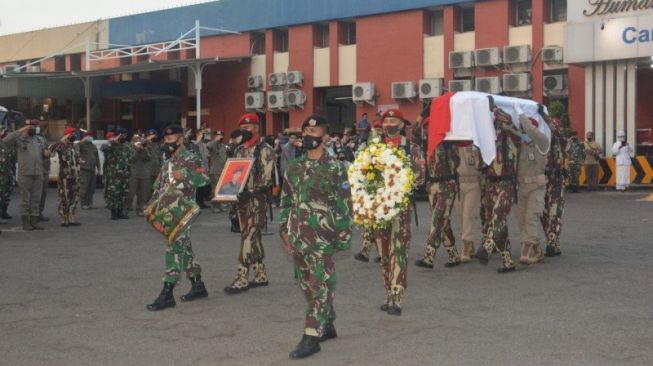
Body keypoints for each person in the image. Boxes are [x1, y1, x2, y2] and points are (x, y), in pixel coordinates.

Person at [279, 115, 352, 359]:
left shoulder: (336, 168)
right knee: (304, 283)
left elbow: (345, 205)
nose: (309, 135)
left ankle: (311, 335)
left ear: (326, 137)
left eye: (315, 131)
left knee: (319, 284)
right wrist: (284, 232)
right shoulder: (294, 167)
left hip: (324, 237)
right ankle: (327, 322)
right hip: (299, 235)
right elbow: (286, 201)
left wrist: (342, 237)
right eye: (306, 131)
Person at [146, 124, 210, 311]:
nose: (167, 144)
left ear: (181, 139)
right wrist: (150, 204)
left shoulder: (191, 158)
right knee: (184, 248)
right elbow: (159, 186)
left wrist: (186, 175)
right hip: (168, 212)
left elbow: (205, 179)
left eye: (171, 140)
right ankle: (198, 285)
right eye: (165, 140)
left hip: (183, 212)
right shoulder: (168, 162)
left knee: (174, 247)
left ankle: (167, 293)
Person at [374, 109, 425, 315]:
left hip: (400, 207)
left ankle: (397, 296)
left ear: (402, 125)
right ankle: (388, 293)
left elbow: (420, 177)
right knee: (383, 254)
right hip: (379, 208)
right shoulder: (374, 149)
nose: (389, 124)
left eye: (393, 121)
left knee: (398, 251)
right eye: (386, 121)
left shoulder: (412, 149)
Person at [224, 113, 275, 294]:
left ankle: (241, 277)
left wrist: (250, 192)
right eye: (242, 128)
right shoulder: (239, 149)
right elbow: (233, 175)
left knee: (248, 236)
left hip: (256, 199)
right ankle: (261, 274)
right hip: (241, 200)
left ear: (256, 127)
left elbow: (267, 178)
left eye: (247, 128)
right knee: (253, 236)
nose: (243, 131)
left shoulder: (264, 149)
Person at [477, 97, 521, 273]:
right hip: (490, 183)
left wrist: (494, 108)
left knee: (498, 215)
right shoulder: (486, 140)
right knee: (498, 221)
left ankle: (487, 246)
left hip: (507, 182)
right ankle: (507, 260)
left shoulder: (513, 135)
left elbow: (507, 120)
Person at [415, 134, 462, 269]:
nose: (427, 130)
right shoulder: (425, 144)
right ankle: (453, 255)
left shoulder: (449, 143)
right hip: (432, 186)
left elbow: (456, 162)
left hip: (447, 185)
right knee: (444, 222)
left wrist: (447, 145)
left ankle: (429, 256)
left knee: (438, 219)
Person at [514, 105, 550, 265]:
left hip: (537, 187)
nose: (525, 133)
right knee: (522, 220)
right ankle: (538, 252)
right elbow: (512, 130)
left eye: (527, 129)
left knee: (531, 219)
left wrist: (520, 112)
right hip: (521, 187)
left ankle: (525, 251)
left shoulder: (543, 142)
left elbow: (531, 131)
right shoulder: (521, 145)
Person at [2, 120, 49, 231]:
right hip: (25, 173)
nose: (34, 128)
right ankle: (25, 222)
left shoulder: (39, 140)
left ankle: (34, 221)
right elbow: (5, 140)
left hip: (38, 172)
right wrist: (21, 130)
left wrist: (47, 154)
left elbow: (45, 152)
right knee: (25, 199)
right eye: (31, 127)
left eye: (35, 126)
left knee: (36, 198)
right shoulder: (19, 139)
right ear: (26, 128)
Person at [540, 106, 568, 257]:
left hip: (555, 178)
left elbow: (558, 131)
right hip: (541, 177)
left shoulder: (555, 128)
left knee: (555, 210)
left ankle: (553, 240)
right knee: (543, 211)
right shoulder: (536, 131)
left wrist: (544, 118)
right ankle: (551, 238)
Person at [454, 141, 482, 262]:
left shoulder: (477, 143)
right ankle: (470, 245)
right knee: (460, 216)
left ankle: (466, 246)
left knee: (468, 215)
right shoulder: (455, 143)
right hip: (459, 183)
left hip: (473, 183)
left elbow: (481, 165)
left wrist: (476, 152)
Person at [49, 127, 82, 227]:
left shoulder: (74, 146)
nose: (74, 136)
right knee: (65, 197)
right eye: (71, 135)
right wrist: (61, 140)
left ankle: (71, 217)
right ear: (67, 136)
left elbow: (76, 158)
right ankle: (64, 218)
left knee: (74, 197)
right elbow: (51, 149)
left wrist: (79, 161)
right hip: (65, 176)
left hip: (75, 175)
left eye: (74, 134)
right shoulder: (61, 146)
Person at [101, 129, 132, 220]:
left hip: (125, 174)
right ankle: (113, 212)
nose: (124, 137)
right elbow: (103, 149)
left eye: (125, 135)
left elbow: (131, 156)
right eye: (122, 135)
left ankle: (120, 211)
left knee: (123, 193)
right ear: (117, 135)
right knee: (114, 193)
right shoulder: (111, 145)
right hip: (114, 174)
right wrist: (113, 141)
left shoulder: (127, 145)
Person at [126, 135, 151, 216]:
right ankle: (126, 209)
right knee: (131, 193)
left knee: (142, 194)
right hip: (133, 174)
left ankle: (139, 210)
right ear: (133, 142)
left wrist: (144, 150)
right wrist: (137, 151)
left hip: (143, 174)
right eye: (136, 141)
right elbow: (131, 160)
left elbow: (148, 158)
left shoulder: (144, 149)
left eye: (139, 141)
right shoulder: (130, 149)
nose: (138, 143)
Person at [78, 131, 100, 209]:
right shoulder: (82, 145)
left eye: (91, 136)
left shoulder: (93, 146)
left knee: (92, 188)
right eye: (89, 136)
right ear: (86, 137)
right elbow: (76, 147)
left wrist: (98, 168)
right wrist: (82, 140)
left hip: (92, 169)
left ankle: (89, 203)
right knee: (84, 187)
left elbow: (97, 158)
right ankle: (83, 203)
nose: (91, 137)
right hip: (85, 170)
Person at [206, 130, 227, 212]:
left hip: (222, 170)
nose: (220, 137)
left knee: (220, 189)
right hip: (215, 171)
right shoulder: (213, 145)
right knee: (215, 189)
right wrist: (215, 140)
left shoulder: (222, 145)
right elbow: (208, 145)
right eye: (218, 135)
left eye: (221, 135)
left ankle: (219, 205)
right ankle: (214, 206)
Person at [144, 129, 163, 203]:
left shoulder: (158, 145)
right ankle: (146, 204)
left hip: (157, 170)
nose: (153, 137)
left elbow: (161, 157)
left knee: (157, 189)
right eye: (151, 135)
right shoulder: (144, 145)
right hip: (148, 171)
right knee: (148, 189)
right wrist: (147, 140)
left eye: (154, 135)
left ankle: (155, 204)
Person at [0, 126, 12, 227]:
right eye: (2, 131)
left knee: (7, 194)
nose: (4, 133)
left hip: (7, 173)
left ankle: (4, 212)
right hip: (1, 174)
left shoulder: (6, 145)